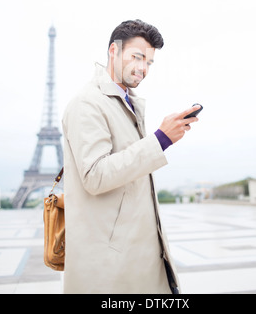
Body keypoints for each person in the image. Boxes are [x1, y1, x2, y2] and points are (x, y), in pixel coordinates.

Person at [62, 19, 200, 294]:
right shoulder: (88, 103)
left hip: (138, 253)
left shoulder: (124, 101)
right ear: (113, 50)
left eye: (149, 62)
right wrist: (160, 139)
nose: (142, 68)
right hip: (110, 264)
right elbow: (95, 176)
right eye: (137, 57)